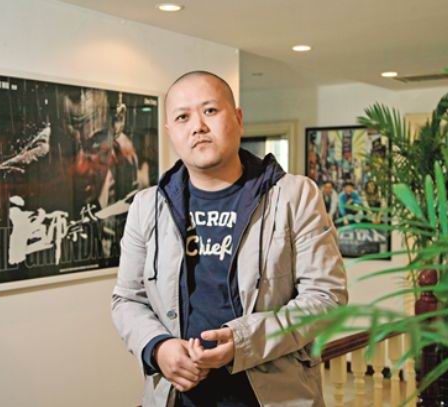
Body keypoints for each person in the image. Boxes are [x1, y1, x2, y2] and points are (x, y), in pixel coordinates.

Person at [111, 71, 348, 406]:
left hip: (273, 397)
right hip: (177, 398)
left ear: (238, 119)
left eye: (210, 111)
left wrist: (242, 342)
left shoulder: (294, 196)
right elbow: (127, 299)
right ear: (170, 131)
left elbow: (326, 297)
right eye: (182, 117)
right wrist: (158, 347)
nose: (197, 127)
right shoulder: (147, 206)